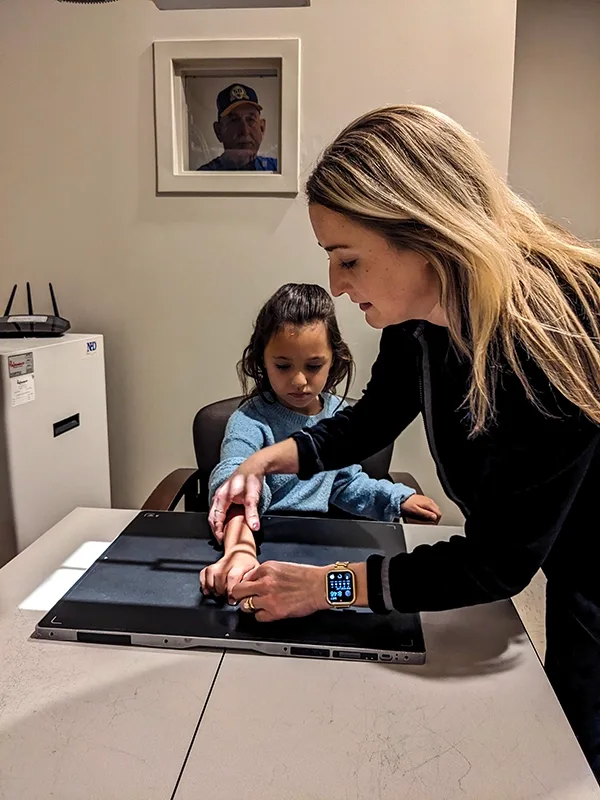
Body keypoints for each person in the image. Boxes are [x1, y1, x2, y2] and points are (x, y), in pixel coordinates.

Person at [209, 105, 600, 779]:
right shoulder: (421, 316)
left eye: (349, 259)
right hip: (565, 562)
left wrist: (326, 586)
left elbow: (495, 564)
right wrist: (269, 458)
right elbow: (370, 420)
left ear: (425, 234)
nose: (336, 285)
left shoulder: (552, 335)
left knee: (575, 751)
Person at [200, 282, 440, 601]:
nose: (299, 381)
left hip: (321, 547)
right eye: (283, 366)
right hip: (259, 539)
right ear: (262, 361)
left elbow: (343, 484)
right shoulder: (249, 421)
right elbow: (238, 485)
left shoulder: (340, 418)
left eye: (313, 366)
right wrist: (240, 549)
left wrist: (395, 498)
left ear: (334, 360)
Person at [197, 83, 278, 172]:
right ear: (218, 131)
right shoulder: (204, 177)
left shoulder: (275, 169)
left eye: (250, 119)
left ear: (262, 128)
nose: (245, 131)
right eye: (234, 120)